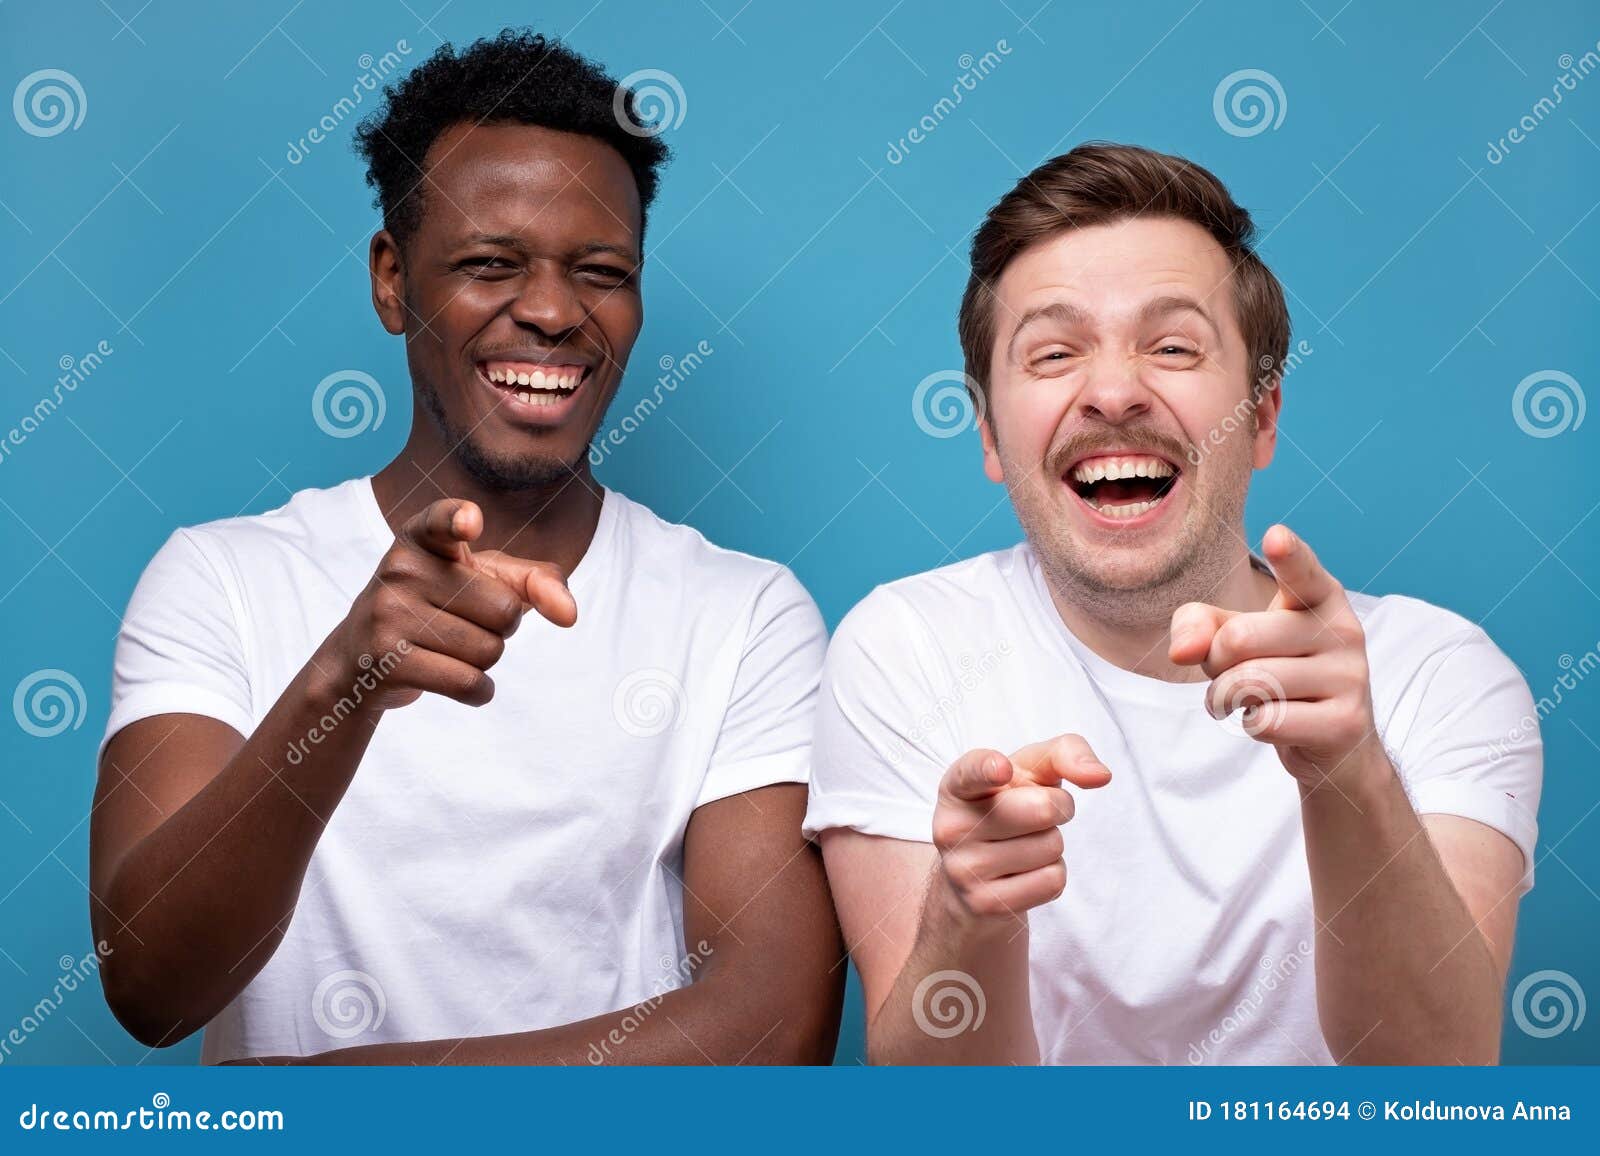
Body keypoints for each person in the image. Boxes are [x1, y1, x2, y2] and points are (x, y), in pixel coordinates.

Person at [91, 30, 843, 1065]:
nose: (551, 311)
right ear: (393, 281)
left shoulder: (744, 612)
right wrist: (340, 684)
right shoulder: (222, 579)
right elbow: (150, 986)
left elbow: (768, 1025)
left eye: (603, 271)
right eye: (491, 264)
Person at [806, 142, 1541, 1065]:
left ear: (1262, 415)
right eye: (1054, 351)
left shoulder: (1441, 673)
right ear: (991, 433)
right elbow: (940, 1117)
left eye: (1173, 347)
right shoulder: (903, 647)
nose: (1113, 393)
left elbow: (1436, 1088)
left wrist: (1346, 772)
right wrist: (967, 916)